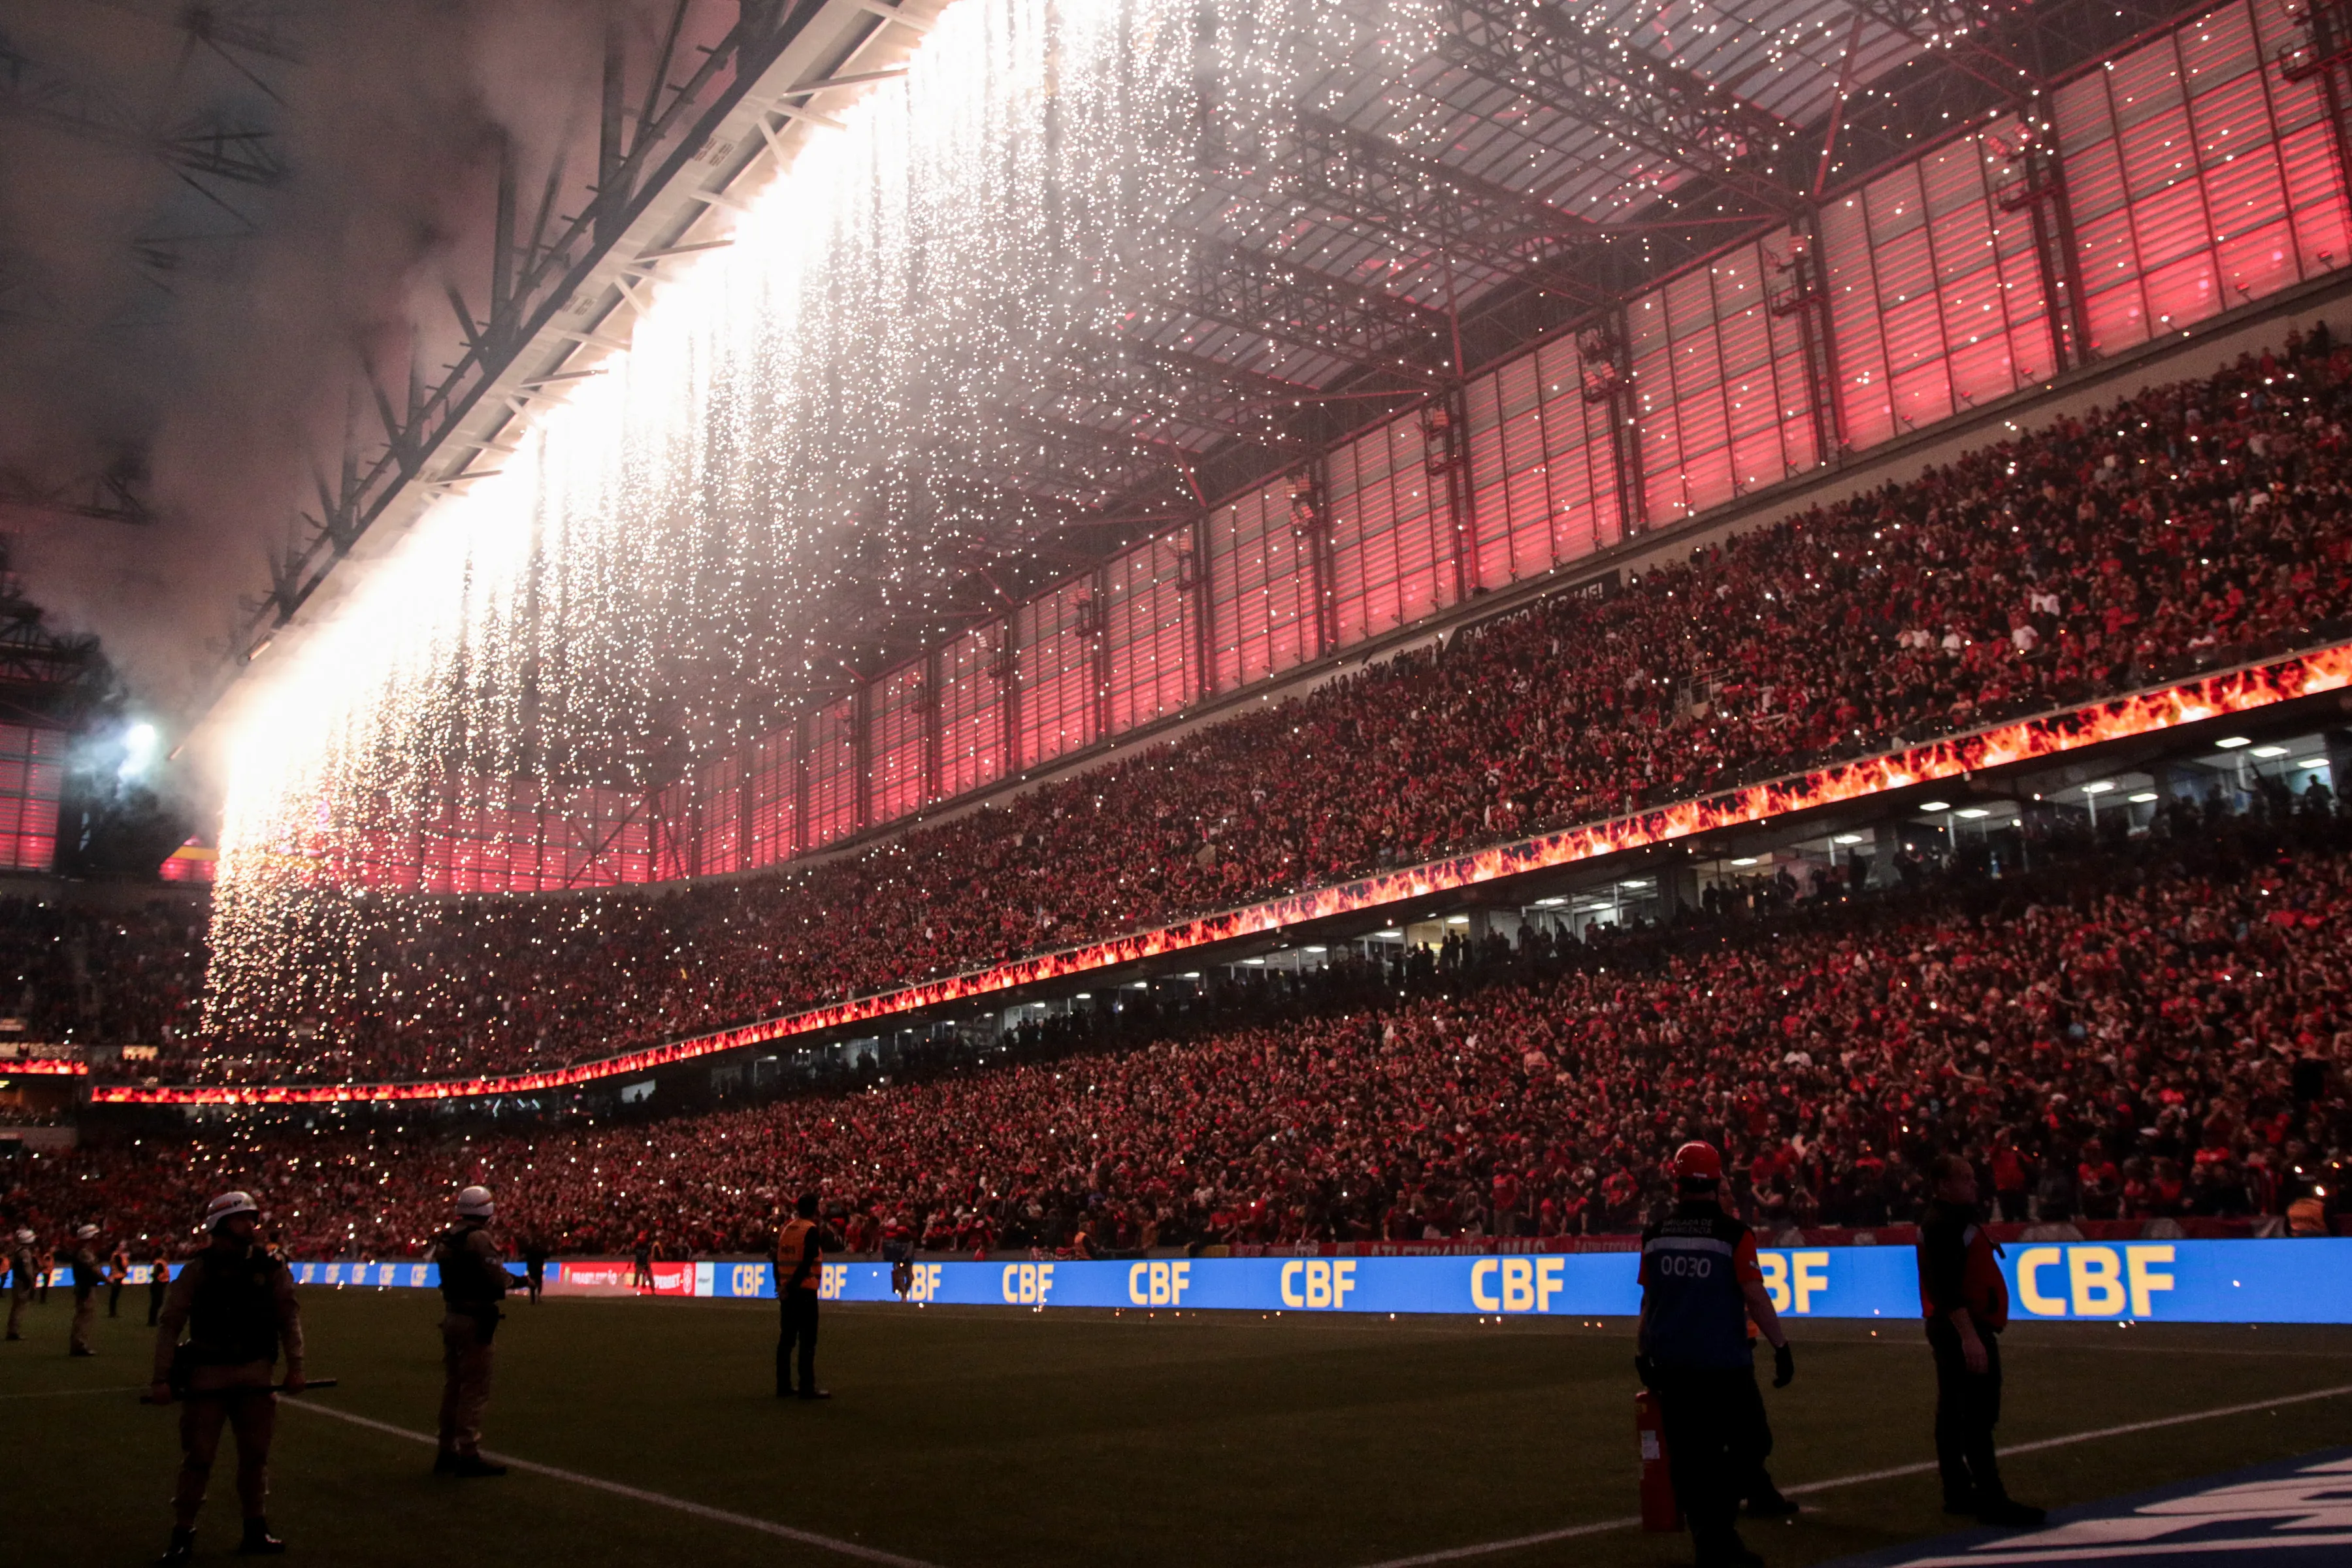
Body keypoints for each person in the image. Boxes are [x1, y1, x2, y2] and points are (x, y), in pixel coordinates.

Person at [1636, 1142, 1793, 1568]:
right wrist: (1781, 1346)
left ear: (1677, 1181)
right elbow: (1755, 1296)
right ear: (1719, 1180)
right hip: (1723, 1363)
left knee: (1691, 1457)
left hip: (1671, 1365)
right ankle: (1719, 1531)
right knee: (1751, 1442)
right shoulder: (1733, 1235)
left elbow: (1649, 1301)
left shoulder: (1656, 1237)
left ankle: (1710, 1539)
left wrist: (1642, 1350)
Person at [150, 1190, 304, 1563]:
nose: (252, 1226)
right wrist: (161, 1377)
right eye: (243, 1219)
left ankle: (255, 1527)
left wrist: (296, 1365)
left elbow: (289, 1316)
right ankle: (183, 1533)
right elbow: (171, 1324)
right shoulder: (198, 1271)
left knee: (255, 1457)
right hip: (207, 1374)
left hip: (255, 1373)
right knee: (198, 1458)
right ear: (221, 1224)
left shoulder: (269, 1267)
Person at [1918, 1154, 2044, 1528]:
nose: (1975, 1185)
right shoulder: (1946, 1224)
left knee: (1955, 1412)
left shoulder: (1948, 1221)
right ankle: (1991, 1497)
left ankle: (1958, 1491)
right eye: (1966, 1180)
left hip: (1956, 1326)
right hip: (1964, 1326)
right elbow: (1947, 1288)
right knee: (1977, 1414)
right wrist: (1970, 1336)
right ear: (1945, 1185)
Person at [431, 1184, 513, 1477]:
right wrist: (515, 1281)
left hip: (452, 1314)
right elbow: (494, 1276)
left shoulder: (447, 1238)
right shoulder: (478, 1239)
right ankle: (468, 1451)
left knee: (453, 1386)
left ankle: (446, 1449)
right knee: (474, 1389)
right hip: (474, 1318)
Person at [775, 1191, 828, 1400]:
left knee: (786, 1340)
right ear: (815, 1209)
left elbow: (776, 1258)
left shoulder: (787, 1229)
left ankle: (783, 1385)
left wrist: (782, 1286)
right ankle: (807, 1387)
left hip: (788, 1293)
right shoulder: (811, 1230)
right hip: (805, 1291)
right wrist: (793, 1286)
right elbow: (807, 1262)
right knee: (807, 1341)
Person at [68, 1222, 103, 1356]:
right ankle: (79, 1345)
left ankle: (78, 1344)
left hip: (83, 1286)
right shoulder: (84, 1252)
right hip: (85, 1288)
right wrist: (107, 1280)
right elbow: (94, 1269)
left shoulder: (83, 1251)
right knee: (84, 1317)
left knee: (83, 1316)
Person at [5, 1226, 34, 1340]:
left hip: (17, 1281)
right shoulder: (25, 1253)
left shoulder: (18, 1251)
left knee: (16, 1307)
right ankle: (14, 1331)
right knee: (20, 1307)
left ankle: (12, 1330)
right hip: (22, 1282)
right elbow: (27, 1270)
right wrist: (31, 1283)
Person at [148, 1244, 174, 1328]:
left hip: (159, 1284)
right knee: (157, 1303)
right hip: (158, 1284)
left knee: (157, 1302)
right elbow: (157, 1274)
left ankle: (153, 1320)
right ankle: (152, 1321)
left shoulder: (161, 1262)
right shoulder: (159, 1263)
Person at [521, 1237, 548, 1305]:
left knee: (532, 1283)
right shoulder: (540, 1249)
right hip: (539, 1268)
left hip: (531, 1268)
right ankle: (538, 1297)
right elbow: (547, 1255)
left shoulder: (530, 1249)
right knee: (539, 1282)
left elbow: (525, 1255)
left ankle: (532, 1299)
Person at [108, 1242, 132, 1318]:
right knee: (114, 1296)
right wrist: (125, 1272)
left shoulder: (119, 1255)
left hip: (118, 1276)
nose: (123, 1247)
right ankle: (112, 1313)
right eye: (121, 1246)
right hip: (117, 1276)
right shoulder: (117, 1255)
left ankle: (113, 1312)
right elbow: (120, 1266)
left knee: (114, 1296)